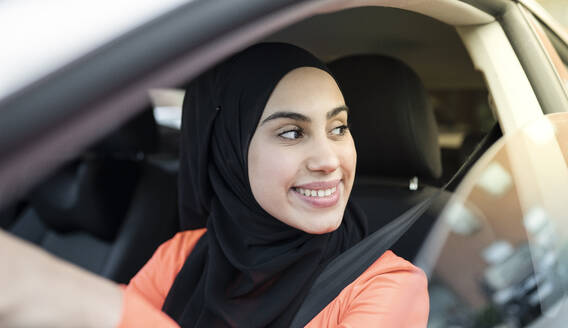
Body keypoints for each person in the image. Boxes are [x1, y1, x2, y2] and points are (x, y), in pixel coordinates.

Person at [0, 42, 428, 328]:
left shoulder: (386, 287)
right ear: (228, 153)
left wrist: (58, 291)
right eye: (293, 133)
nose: (329, 160)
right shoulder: (184, 254)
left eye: (338, 128)